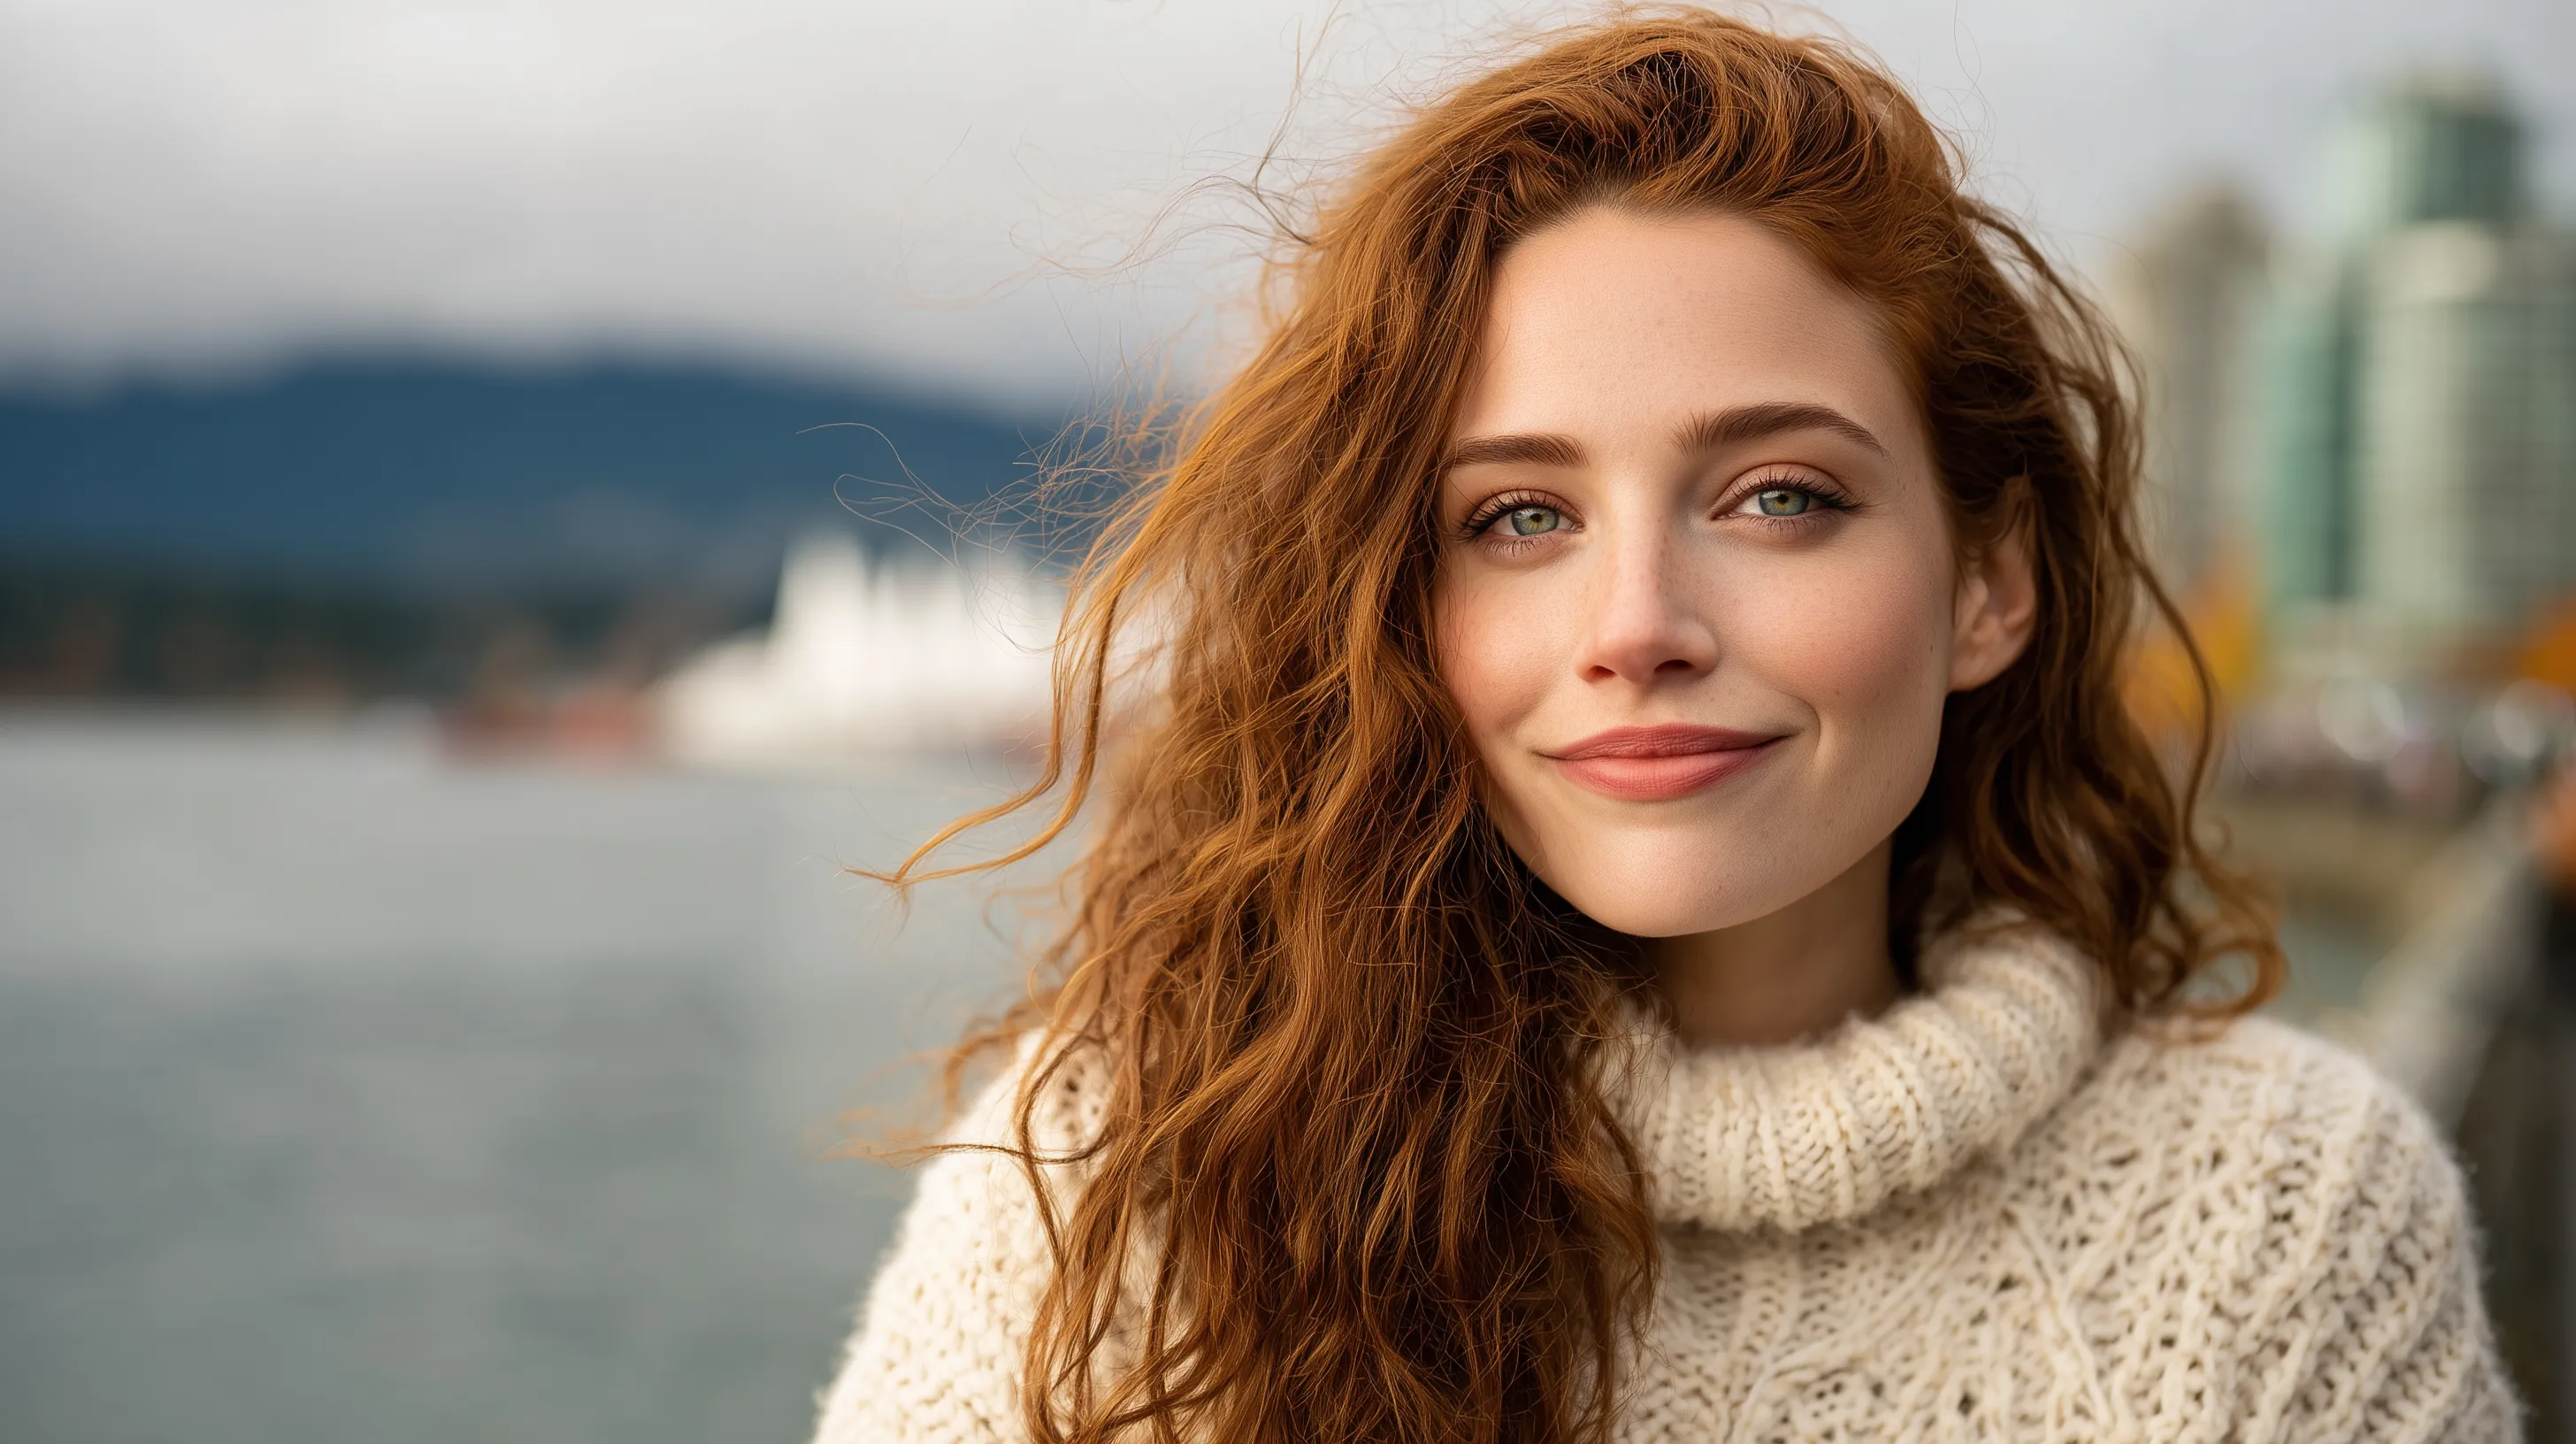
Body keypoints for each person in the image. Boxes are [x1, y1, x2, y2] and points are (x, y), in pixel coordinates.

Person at [814, 12, 2520, 1441]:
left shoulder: (2285, 1220)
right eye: (1518, 520)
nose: (1637, 626)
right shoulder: (1129, 1175)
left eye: (1780, 496)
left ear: (1991, 579)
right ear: (1397, 606)